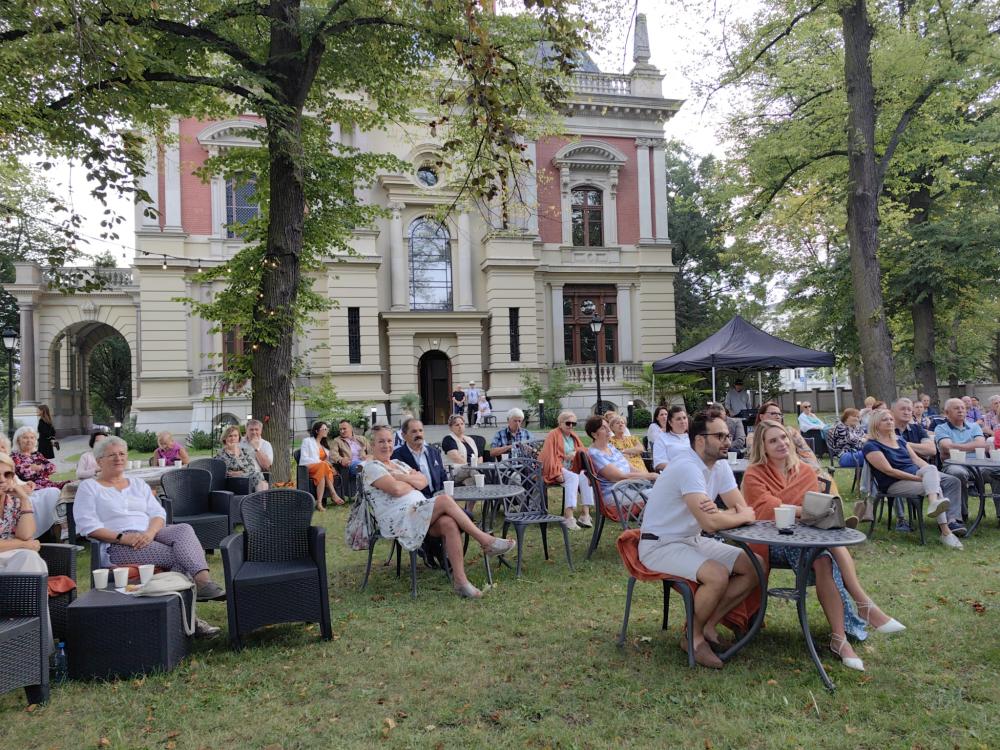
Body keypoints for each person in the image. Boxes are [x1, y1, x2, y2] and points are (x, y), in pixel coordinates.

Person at [743, 421, 905, 672]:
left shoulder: (805, 472)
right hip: (771, 541)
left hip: (807, 538)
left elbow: (811, 510)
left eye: (784, 438)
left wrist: (801, 511)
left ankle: (839, 638)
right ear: (762, 446)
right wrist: (803, 511)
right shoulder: (754, 473)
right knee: (828, 546)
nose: (781, 443)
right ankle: (864, 606)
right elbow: (765, 509)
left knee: (824, 558)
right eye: (773, 440)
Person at [638, 407, 760, 669]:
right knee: (717, 575)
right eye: (720, 436)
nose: (727, 441)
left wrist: (727, 514)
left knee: (754, 565)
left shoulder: (720, 465)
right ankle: (693, 639)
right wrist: (732, 515)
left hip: (690, 540)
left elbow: (741, 509)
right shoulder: (687, 466)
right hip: (660, 544)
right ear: (700, 440)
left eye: (727, 435)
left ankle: (707, 625)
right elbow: (712, 522)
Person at [73, 436, 225, 636]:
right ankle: (190, 620)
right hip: (118, 544)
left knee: (184, 529)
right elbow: (87, 526)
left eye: (122, 454)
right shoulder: (89, 488)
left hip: (150, 532)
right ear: (99, 460)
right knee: (179, 556)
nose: (119, 458)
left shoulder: (137, 484)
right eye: (112, 455)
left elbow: (158, 513)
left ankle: (202, 583)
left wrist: (150, 532)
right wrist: (122, 537)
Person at [364, 425, 515, 598]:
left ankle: (461, 582)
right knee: (444, 500)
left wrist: (400, 477)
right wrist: (410, 481)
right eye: (381, 442)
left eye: (389, 441)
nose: (386, 445)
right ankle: (485, 540)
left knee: (448, 523)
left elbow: (423, 481)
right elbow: (396, 490)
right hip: (399, 519)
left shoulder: (398, 464)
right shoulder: (372, 467)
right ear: (372, 445)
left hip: (417, 512)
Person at [864, 408, 964, 548]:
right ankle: (946, 532)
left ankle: (934, 504)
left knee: (931, 469)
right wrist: (919, 479)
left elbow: (916, 460)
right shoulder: (871, 446)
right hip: (894, 482)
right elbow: (889, 471)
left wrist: (931, 474)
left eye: (891, 419)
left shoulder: (900, 440)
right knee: (935, 489)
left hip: (915, 474)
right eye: (885, 420)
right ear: (876, 424)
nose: (890, 422)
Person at [0, 451, 53, 650]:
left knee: (30, 559)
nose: (2, 479)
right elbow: (26, 542)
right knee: (29, 557)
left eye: (7, 474)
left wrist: (24, 499)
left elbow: (26, 534)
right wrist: (22, 545)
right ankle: (42, 650)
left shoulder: (12, 501)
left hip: (9, 562)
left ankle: (32, 647)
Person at [935, 397, 1000, 531]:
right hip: (955, 464)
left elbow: (981, 444)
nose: (960, 410)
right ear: (947, 413)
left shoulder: (974, 426)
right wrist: (972, 446)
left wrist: (955, 447)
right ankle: (957, 518)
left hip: (979, 464)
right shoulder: (941, 428)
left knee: (997, 472)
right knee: (957, 473)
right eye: (956, 408)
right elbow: (946, 447)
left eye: (963, 408)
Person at [539, 411, 594, 530]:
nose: (571, 426)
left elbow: (582, 450)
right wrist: (557, 472)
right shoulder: (553, 434)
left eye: (574, 424)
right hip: (556, 467)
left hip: (572, 467)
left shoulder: (573, 436)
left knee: (585, 475)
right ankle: (568, 517)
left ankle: (585, 514)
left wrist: (575, 454)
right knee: (573, 477)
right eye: (568, 423)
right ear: (560, 423)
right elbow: (549, 456)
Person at [888, 398, 937, 532]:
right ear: (892, 412)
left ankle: (952, 521)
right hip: (897, 471)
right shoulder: (886, 429)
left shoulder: (917, 428)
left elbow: (931, 450)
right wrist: (918, 448)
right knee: (895, 477)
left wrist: (903, 444)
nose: (906, 412)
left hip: (920, 468)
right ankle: (901, 519)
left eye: (909, 409)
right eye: (902, 409)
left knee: (951, 481)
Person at [585, 415, 658, 499]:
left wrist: (650, 476)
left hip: (630, 487)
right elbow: (620, 476)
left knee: (662, 490)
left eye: (607, 426)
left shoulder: (610, 447)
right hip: (615, 494)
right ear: (594, 434)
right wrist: (651, 476)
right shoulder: (595, 454)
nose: (608, 430)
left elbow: (631, 468)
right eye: (603, 428)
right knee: (659, 495)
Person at [392, 418, 447, 497]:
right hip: (416, 499)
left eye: (420, 430)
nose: (418, 434)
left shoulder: (434, 452)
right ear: (404, 435)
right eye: (414, 431)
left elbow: (443, 476)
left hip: (439, 496)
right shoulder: (396, 456)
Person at [299, 421, 342, 509]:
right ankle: (333, 494)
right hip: (308, 467)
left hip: (321, 469)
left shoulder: (324, 445)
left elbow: (328, 460)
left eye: (327, 429)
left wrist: (331, 465)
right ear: (317, 431)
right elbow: (304, 458)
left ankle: (319, 503)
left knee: (322, 471)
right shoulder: (307, 441)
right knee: (322, 465)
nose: (327, 430)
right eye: (324, 429)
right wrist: (322, 462)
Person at [217, 425, 268, 495]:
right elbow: (228, 473)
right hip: (233, 483)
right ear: (225, 439)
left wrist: (241, 473)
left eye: (235, 436)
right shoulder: (221, 454)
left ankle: (260, 501)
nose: (233, 438)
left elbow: (252, 467)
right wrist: (235, 453)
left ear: (239, 438)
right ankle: (261, 501)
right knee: (259, 477)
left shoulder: (244, 451)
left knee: (261, 480)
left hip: (247, 481)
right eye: (230, 436)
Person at [441, 414, 480, 485]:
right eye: (457, 425)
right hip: (454, 472)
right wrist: (471, 466)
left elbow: (479, 456)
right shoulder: (448, 439)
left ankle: (464, 484)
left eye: (462, 424)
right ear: (451, 428)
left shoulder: (470, 439)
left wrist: (479, 466)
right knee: (477, 475)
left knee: (480, 475)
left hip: (471, 470)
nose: (460, 426)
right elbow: (456, 457)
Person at [651, 406, 692, 471]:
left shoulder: (693, 437)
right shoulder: (662, 438)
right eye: (678, 419)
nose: (683, 421)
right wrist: (681, 468)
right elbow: (659, 464)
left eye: (684, 418)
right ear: (670, 422)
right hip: (675, 473)